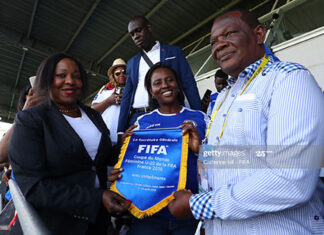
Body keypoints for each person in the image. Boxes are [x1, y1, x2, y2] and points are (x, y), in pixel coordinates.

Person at [168, 9, 324, 234]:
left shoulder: (288, 79)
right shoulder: (223, 97)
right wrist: (202, 150)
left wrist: (197, 205)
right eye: (213, 42)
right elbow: (252, 156)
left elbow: (291, 179)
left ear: (259, 34)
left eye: (228, 34)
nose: (218, 46)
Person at [9, 53, 130, 235]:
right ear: (47, 79)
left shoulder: (93, 115)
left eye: (76, 76)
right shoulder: (31, 119)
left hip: (97, 222)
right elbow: (34, 186)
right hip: (53, 224)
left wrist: (128, 143)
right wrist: (96, 198)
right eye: (61, 75)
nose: (70, 81)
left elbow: (98, 159)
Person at [110, 63, 207, 235]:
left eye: (170, 80)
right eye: (157, 83)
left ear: (178, 84)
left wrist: (199, 150)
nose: (165, 85)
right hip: (148, 216)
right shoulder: (142, 123)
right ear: (151, 90)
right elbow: (133, 166)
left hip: (189, 212)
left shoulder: (200, 118)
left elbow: (217, 161)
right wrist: (124, 164)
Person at [117, 16, 202, 136]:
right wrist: (120, 130)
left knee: (175, 152)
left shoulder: (174, 52)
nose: (135, 36)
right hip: (138, 117)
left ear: (149, 27)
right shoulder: (132, 62)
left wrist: (198, 116)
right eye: (132, 34)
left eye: (138, 30)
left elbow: (189, 84)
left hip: (168, 113)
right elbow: (127, 95)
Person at [92, 58, 127, 145]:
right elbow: (93, 110)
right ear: (113, 76)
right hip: (105, 134)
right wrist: (109, 100)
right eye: (117, 73)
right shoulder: (106, 88)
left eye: (124, 72)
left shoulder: (134, 88)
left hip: (125, 135)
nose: (121, 75)